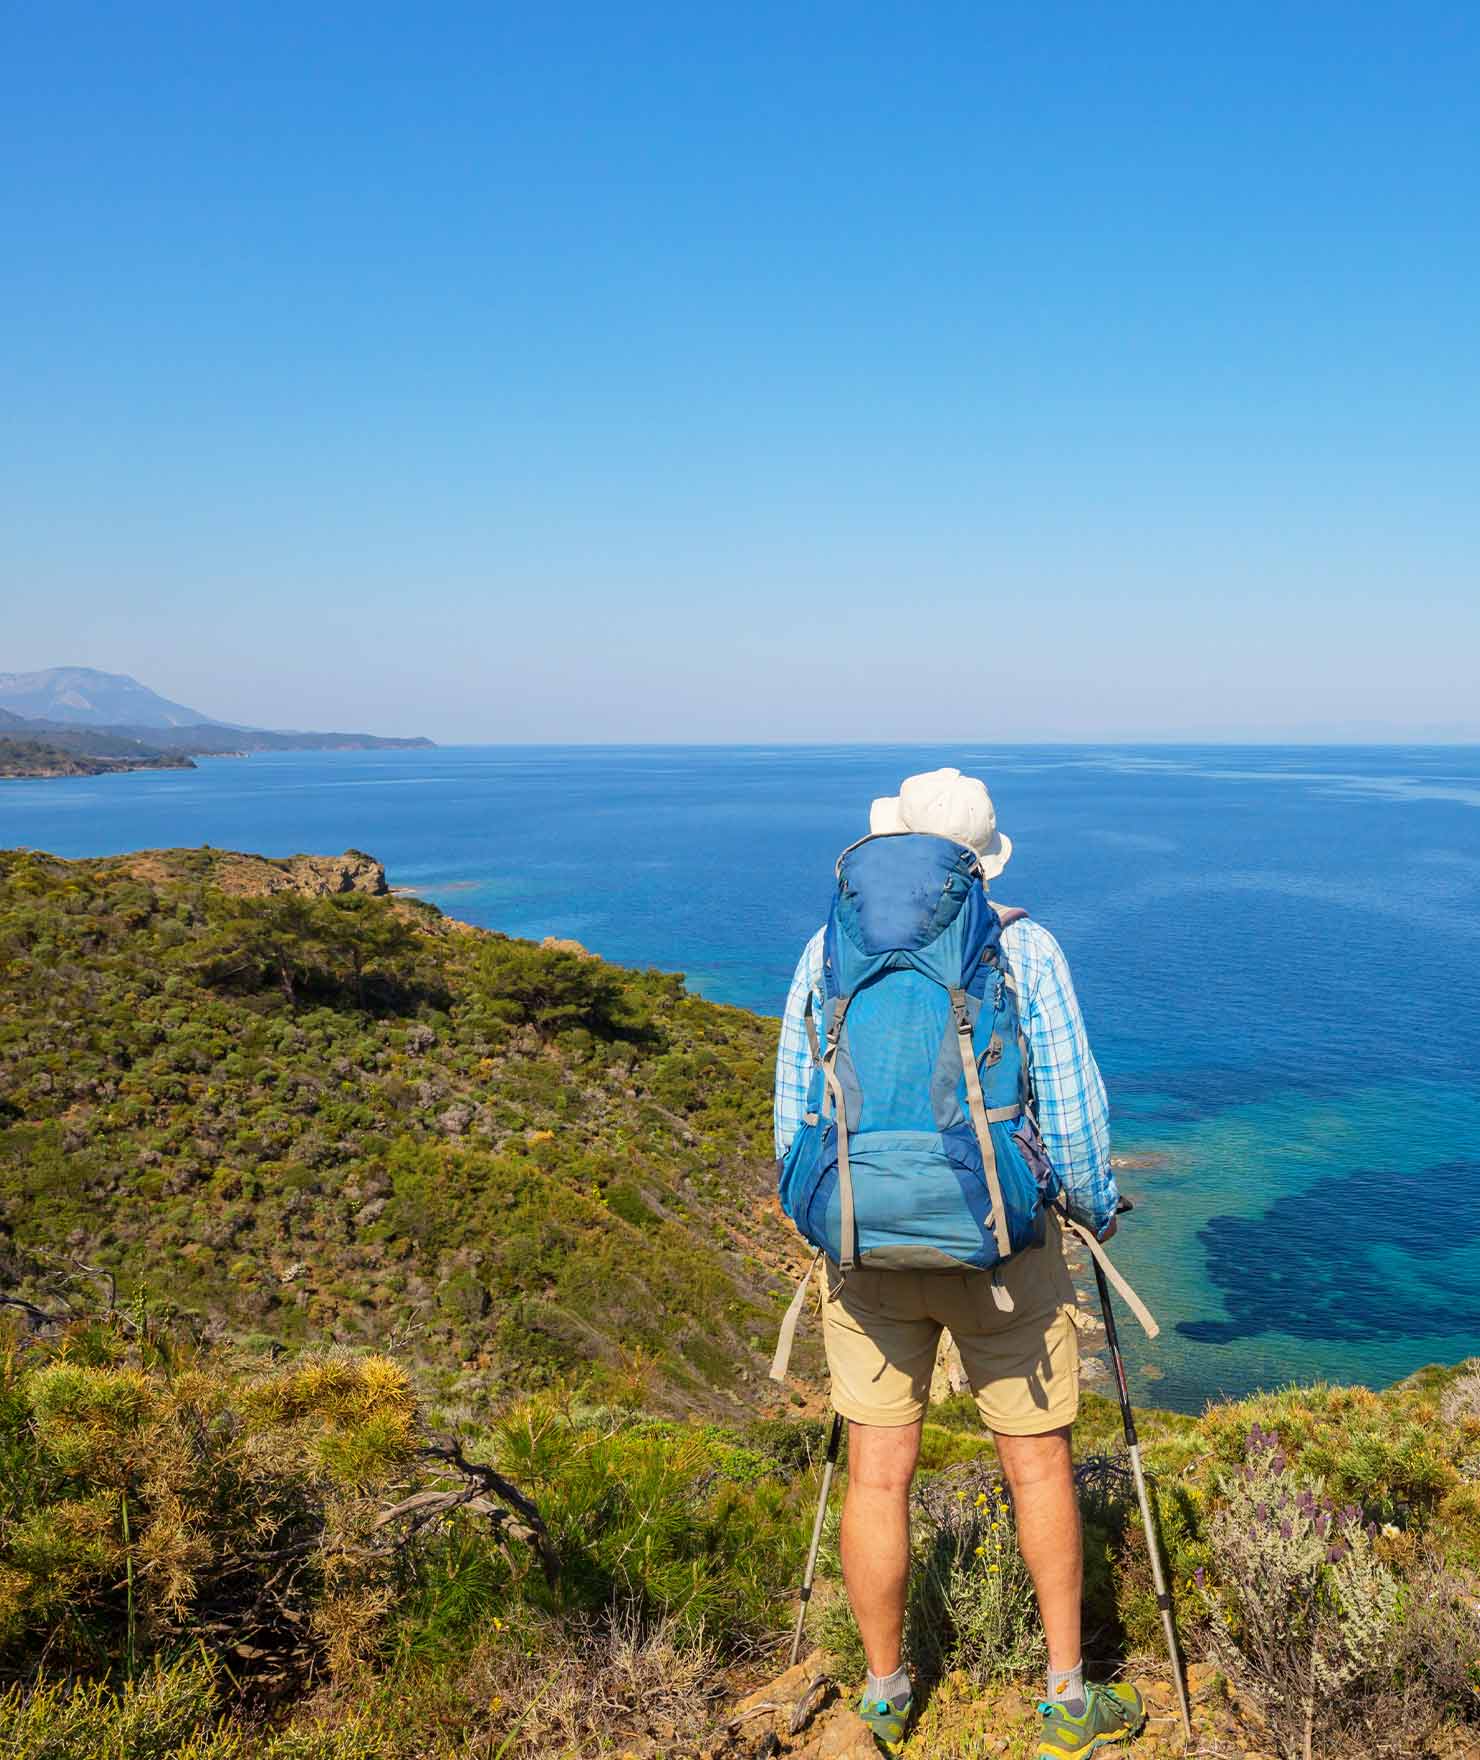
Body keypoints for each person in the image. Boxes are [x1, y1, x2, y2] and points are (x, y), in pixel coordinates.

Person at [773, 768, 1144, 1759]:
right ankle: (1067, 1699)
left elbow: (790, 1114)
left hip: (864, 1247)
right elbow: (1069, 1111)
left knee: (875, 1479)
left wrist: (828, 1220)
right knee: (1036, 1469)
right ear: (978, 862)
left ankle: (887, 1692)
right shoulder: (1022, 946)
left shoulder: (827, 947)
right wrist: (1094, 1211)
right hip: (1000, 1251)